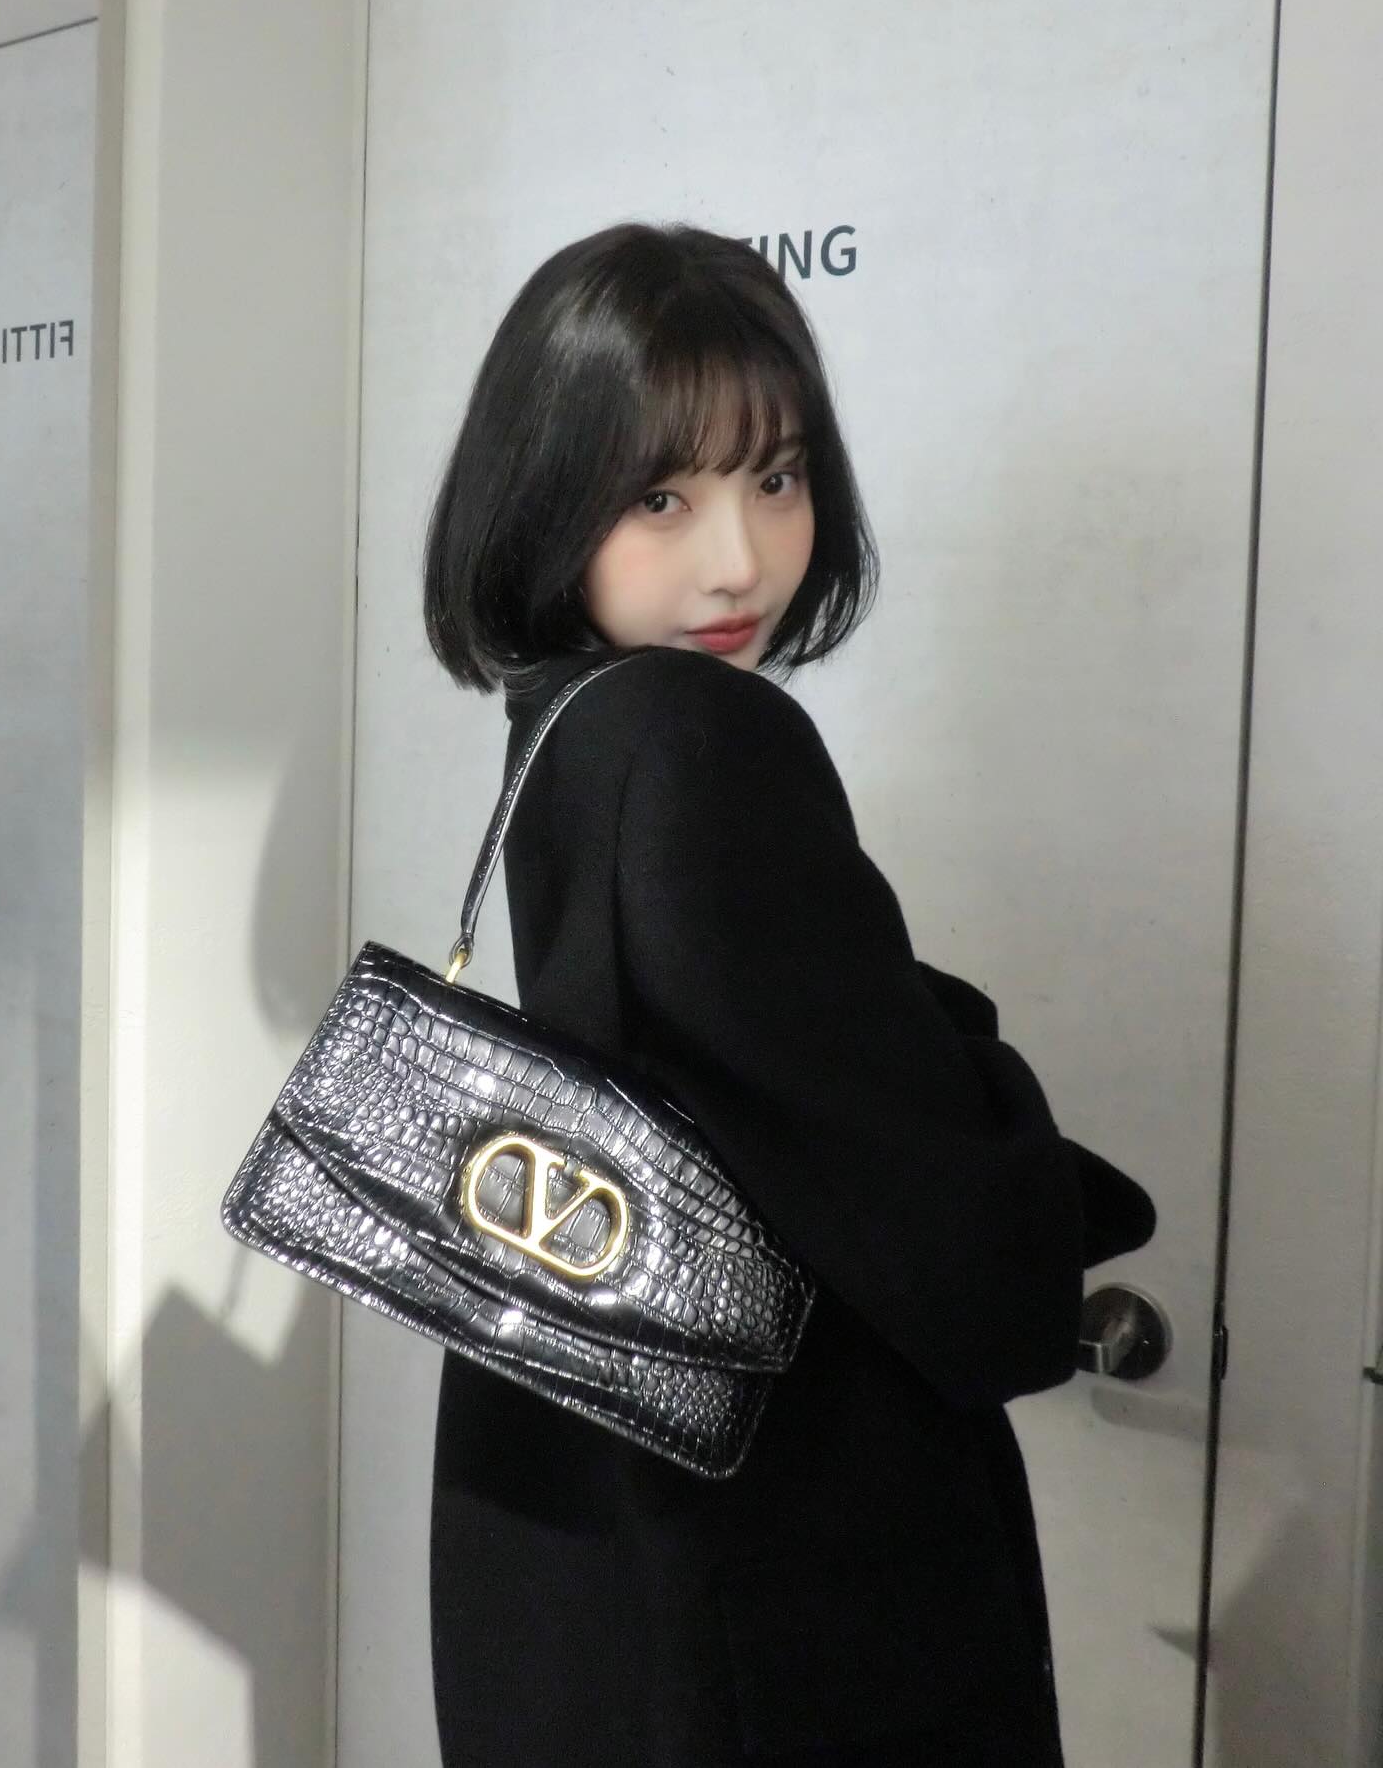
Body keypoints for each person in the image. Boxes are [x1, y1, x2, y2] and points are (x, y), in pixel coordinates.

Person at [420, 220, 1157, 1768]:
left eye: (777, 476)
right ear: (549, 493)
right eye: (661, 496)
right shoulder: (698, 739)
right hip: (771, 1591)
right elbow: (946, 1235)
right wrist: (993, 1102)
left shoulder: (569, 723)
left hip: (591, 1544)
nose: (740, 558)